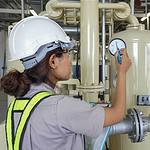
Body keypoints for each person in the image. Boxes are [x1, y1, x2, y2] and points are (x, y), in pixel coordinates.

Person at [0, 16, 131, 150]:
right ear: (53, 61)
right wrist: (121, 72)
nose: (70, 61)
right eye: (68, 53)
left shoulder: (17, 104)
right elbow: (117, 113)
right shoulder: (59, 106)